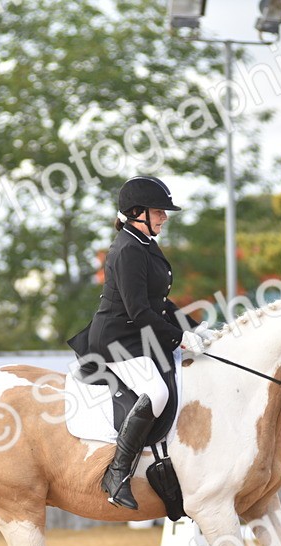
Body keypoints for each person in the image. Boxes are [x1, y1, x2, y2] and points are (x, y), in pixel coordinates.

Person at [67, 176, 205, 509]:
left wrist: (194, 329)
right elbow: (139, 310)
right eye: (159, 211)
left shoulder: (144, 243)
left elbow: (159, 302)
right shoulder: (127, 249)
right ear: (136, 212)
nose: (164, 218)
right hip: (115, 340)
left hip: (138, 336)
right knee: (156, 393)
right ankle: (117, 473)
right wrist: (178, 336)